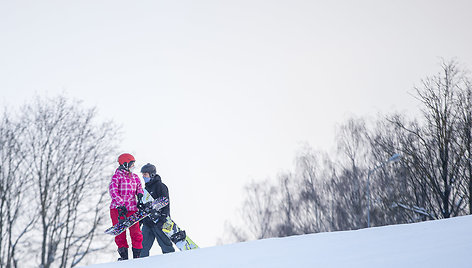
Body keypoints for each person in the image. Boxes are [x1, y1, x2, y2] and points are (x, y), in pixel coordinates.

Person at [109, 153, 144, 260]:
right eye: (131, 164)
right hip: (118, 209)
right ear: (125, 164)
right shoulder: (117, 176)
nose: (133, 166)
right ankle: (124, 257)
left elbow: (139, 187)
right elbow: (113, 191)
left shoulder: (135, 177)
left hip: (132, 209)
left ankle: (137, 257)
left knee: (136, 233)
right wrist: (120, 204)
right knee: (120, 234)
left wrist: (140, 195)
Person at [139, 163, 175, 256]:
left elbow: (166, 202)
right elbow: (143, 207)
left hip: (159, 222)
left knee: (166, 246)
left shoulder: (160, 186)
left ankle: (171, 262)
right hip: (147, 223)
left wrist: (164, 217)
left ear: (152, 174)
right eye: (142, 175)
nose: (143, 177)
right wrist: (140, 221)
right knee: (142, 247)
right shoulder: (144, 190)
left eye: (145, 174)